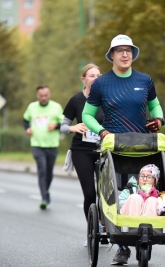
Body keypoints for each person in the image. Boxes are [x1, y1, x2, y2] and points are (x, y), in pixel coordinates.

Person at [82, 34, 165, 265]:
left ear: (133, 54)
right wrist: (101, 131)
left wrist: (159, 119)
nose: (125, 54)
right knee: (117, 195)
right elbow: (87, 115)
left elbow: (155, 105)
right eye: (120, 50)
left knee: (144, 191)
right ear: (112, 55)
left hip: (143, 147)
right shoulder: (101, 83)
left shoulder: (145, 80)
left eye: (128, 50)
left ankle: (144, 235)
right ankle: (122, 248)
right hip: (114, 147)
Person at [60, 63, 103, 247]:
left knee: (106, 194)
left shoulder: (106, 99)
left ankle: (108, 229)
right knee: (90, 193)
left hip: (104, 150)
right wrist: (72, 127)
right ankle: (93, 231)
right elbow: (62, 126)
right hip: (81, 151)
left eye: (98, 75)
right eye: (91, 75)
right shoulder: (76, 100)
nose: (95, 78)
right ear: (83, 79)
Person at [23, 85, 63, 210]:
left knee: (49, 173)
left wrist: (56, 126)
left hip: (52, 145)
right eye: (41, 96)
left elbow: (64, 123)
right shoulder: (32, 107)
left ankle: (46, 190)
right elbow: (25, 120)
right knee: (42, 169)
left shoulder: (56, 107)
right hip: (36, 144)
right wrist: (27, 128)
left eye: (46, 95)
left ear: (49, 95)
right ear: (37, 96)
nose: (44, 98)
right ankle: (44, 198)